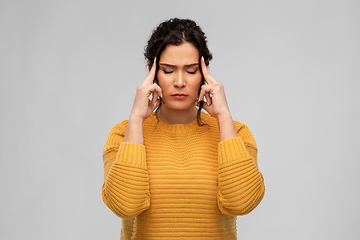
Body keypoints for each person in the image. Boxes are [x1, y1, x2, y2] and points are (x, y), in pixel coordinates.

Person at [102, 18, 265, 239]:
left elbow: (242, 203)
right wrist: (137, 118)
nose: (180, 81)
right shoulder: (123, 134)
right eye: (168, 70)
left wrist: (223, 116)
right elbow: (125, 206)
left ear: (204, 74)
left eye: (191, 70)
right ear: (152, 72)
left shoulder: (236, 133)